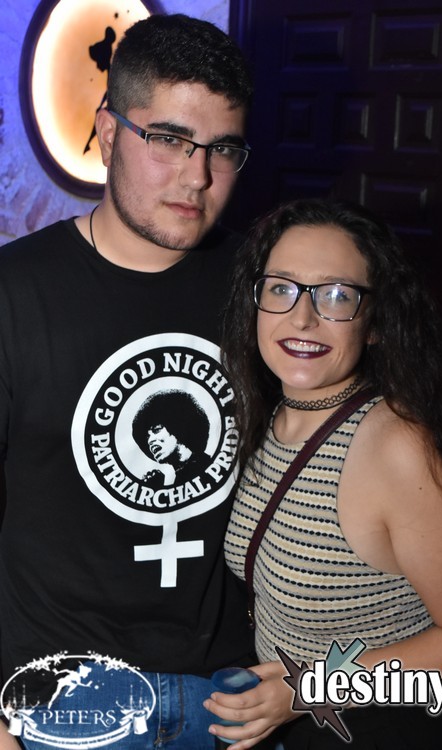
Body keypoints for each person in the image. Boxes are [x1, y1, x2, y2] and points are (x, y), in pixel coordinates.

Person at [0, 13, 254, 749]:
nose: (197, 176)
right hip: (61, 699)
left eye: (222, 148)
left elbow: (365, 407)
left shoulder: (267, 286)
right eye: (169, 139)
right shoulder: (15, 292)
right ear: (109, 135)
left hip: (234, 697)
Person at [204, 198, 442, 749]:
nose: (302, 318)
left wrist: (307, 688)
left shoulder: (396, 446)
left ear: (376, 324)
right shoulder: (272, 415)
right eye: (282, 288)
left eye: (338, 295)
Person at [132, 390, 211, 487]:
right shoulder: (181, 479)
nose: (150, 441)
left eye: (156, 430)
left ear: (177, 427)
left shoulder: (209, 470)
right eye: (147, 436)